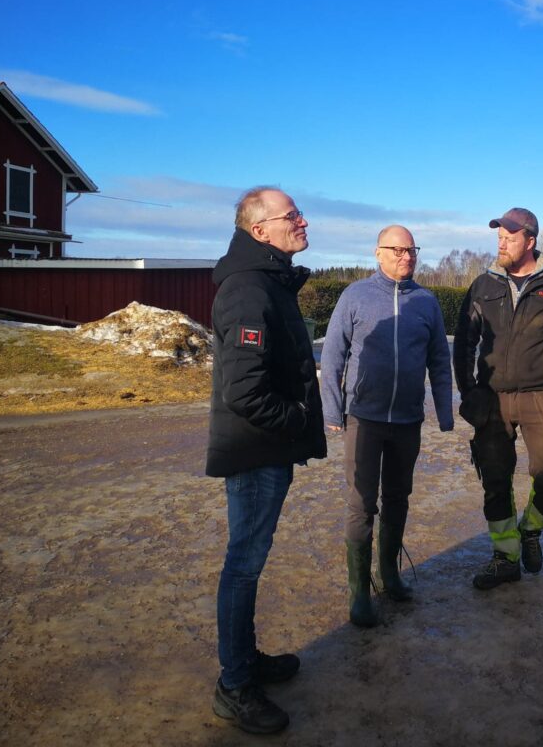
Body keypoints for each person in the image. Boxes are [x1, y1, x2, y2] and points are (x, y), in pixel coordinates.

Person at [206, 186, 327, 734]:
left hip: (265, 447)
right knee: (244, 565)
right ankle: (234, 686)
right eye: (291, 216)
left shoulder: (268, 281)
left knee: (248, 561)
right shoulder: (248, 289)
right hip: (256, 450)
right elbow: (244, 391)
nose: (302, 221)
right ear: (261, 231)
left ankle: (245, 660)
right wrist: (296, 420)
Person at [320, 224, 454, 627]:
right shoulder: (355, 296)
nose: (406, 257)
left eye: (412, 250)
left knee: (399, 497)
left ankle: (389, 573)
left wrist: (444, 412)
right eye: (396, 250)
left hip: (407, 420)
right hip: (365, 418)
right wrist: (332, 410)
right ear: (377, 253)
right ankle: (359, 590)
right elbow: (332, 356)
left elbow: (439, 361)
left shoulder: (427, 302)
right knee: (361, 503)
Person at [453, 207, 543, 589]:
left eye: (510, 237)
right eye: (499, 236)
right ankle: (506, 556)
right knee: (495, 480)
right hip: (491, 401)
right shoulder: (483, 286)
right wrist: (468, 392)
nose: (502, 242)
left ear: (530, 241)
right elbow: (465, 341)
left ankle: (530, 531)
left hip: (541, 398)